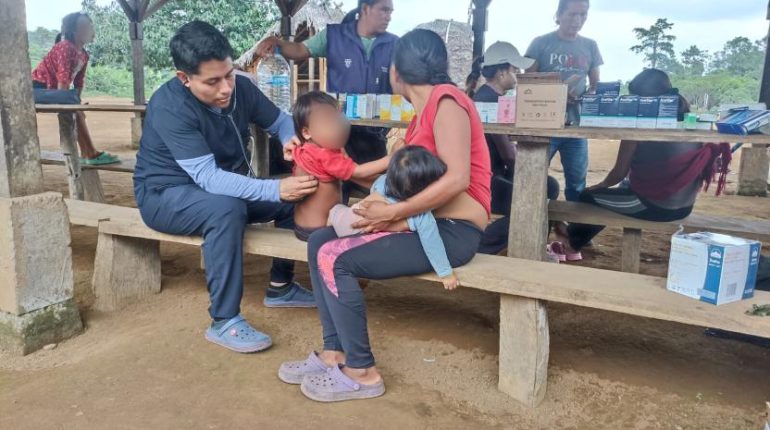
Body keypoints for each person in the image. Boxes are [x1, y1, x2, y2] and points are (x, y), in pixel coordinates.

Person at [277, 29, 490, 402]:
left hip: (451, 230)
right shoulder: (424, 113)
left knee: (335, 257)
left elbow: (458, 178)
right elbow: (390, 168)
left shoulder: (448, 102)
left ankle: (362, 372)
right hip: (423, 221)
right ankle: (335, 352)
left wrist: (393, 212)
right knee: (320, 243)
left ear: (395, 72)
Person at [133, 21, 320, 354]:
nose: (225, 88)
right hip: (166, 196)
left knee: (303, 193)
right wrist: (275, 190)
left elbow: (279, 120)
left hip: (222, 190)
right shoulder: (169, 105)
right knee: (227, 206)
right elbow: (208, 179)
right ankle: (224, 320)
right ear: (184, 78)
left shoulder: (241, 88)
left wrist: (289, 137)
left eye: (229, 74)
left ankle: (281, 286)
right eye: (212, 81)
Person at [553, 69, 732, 260]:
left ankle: (571, 245)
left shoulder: (640, 124)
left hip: (655, 207)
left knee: (589, 197)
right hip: (685, 206)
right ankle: (573, 239)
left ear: (641, 98)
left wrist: (597, 187)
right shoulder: (689, 120)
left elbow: (618, 173)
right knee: (619, 193)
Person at [257, 0, 397, 168]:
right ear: (366, 10)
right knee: (336, 176)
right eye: (384, 10)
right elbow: (299, 50)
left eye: (390, 12)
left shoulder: (394, 44)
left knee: (369, 178)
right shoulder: (332, 36)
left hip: (374, 131)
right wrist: (278, 42)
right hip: (336, 127)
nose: (389, 17)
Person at [466, 41, 560, 255]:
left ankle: (532, 244)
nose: (518, 74)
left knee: (548, 186)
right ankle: (481, 245)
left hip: (492, 175)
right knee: (532, 201)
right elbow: (509, 155)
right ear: (501, 72)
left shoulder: (488, 97)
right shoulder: (490, 102)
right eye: (514, 69)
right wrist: (532, 168)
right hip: (484, 180)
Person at [328, 146, 460, 290]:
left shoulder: (383, 181)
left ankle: (329, 221)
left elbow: (373, 189)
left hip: (344, 219)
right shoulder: (421, 215)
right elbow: (432, 243)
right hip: (358, 235)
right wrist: (445, 273)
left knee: (336, 210)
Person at [525, 0, 603, 202]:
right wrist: (556, 93)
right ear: (558, 15)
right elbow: (527, 84)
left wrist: (588, 95)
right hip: (544, 126)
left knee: (577, 183)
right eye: (572, 14)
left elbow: (596, 85)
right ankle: (536, 225)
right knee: (534, 177)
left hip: (577, 126)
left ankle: (572, 232)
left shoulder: (590, 46)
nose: (578, 20)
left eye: (583, 15)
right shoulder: (540, 43)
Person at [291, 91, 390, 241]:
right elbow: (358, 171)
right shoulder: (324, 155)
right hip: (319, 230)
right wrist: (391, 158)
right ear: (306, 132)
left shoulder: (306, 149)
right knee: (368, 225)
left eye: (337, 119)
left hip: (302, 225)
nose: (337, 127)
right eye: (327, 122)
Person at [31, 12, 119, 165]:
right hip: (36, 91)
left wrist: (76, 102)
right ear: (74, 32)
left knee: (78, 111)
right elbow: (63, 80)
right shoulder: (65, 47)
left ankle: (88, 153)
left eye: (90, 26)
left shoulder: (84, 55)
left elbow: (79, 83)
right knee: (75, 109)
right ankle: (90, 153)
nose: (90, 29)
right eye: (85, 26)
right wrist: (70, 104)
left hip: (53, 92)